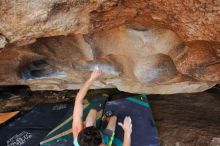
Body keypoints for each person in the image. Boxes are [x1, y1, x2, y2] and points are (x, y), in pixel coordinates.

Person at [72, 67, 132, 146]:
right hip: (104, 141)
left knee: (92, 112)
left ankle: (104, 119)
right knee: (114, 118)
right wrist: (127, 133)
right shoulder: (104, 144)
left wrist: (91, 79)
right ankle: (108, 119)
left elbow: (78, 100)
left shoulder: (77, 134)